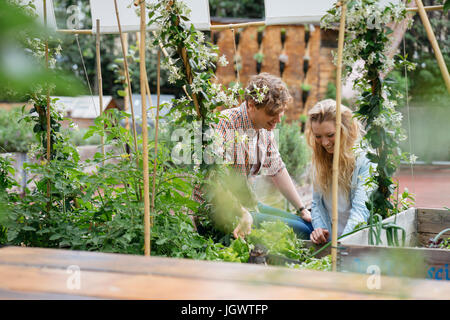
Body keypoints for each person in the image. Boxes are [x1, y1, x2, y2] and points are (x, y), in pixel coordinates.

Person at [195, 73, 312, 240]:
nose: (278, 119)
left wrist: (302, 209)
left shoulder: (265, 129)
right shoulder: (225, 123)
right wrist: (241, 212)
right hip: (220, 211)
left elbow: (277, 169)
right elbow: (212, 181)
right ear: (251, 105)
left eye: (282, 112)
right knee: (304, 232)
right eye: (272, 113)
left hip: (246, 205)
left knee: (308, 224)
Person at [305, 99, 371, 245]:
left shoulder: (363, 162)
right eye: (318, 136)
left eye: (330, 135)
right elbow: (316, 204)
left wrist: (339, 247)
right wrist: (320, 230)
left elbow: (360, 211)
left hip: (354, 243)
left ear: (345, 130)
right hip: (329, 242)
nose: (324, 143)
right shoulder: (320, 161)